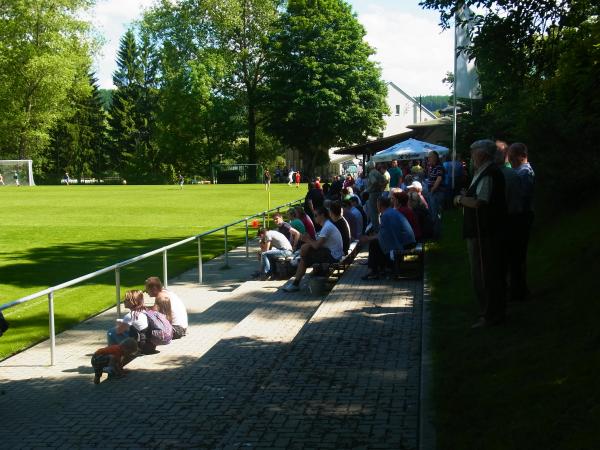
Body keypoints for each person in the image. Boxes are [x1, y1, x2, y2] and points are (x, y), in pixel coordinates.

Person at [453, 139, 508, 328]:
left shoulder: (489, 172)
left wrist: (460, 199)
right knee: (484, 272)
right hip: (481, 230)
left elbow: (479, 202)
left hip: (483, 231)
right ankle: (489, 311)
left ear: (482, 154)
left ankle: (489, 314)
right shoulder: (484, 171)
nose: (470, 156)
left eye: (473, 152)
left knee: (483, 273)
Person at [283, 207, 344, 292]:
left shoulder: (327, 227)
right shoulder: (327, 225)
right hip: (332, 252)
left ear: (322, 215)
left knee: (304, 257)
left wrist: (307, 239)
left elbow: (316, 246)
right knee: (305, 250)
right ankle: (296, 279)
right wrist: (308, 240)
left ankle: (296, 283)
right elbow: (316, 243)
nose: (314, 218)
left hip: (334, 255)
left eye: (315, 215)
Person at [360, 196, 416, 279]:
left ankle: (374, 271)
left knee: (374, 244)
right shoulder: (391, 212)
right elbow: (385, 233)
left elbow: (383, 235)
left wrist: (368, 238)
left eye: (377, 205)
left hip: (406, 243)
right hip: (408, 241)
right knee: (378, 244)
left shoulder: (386, 215)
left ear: (380, 205)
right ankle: (382, 268)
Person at [507, 142, 535, 302]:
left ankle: (519, 291)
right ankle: (518, 288)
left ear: (520, 156)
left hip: (521, 218)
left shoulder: (524, 173)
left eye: (511, 156)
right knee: (516, 256)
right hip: (521, 216)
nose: (509, 159)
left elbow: (522, 197)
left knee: (517, 255)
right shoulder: (519, 171)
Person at [425, 151, 445, 239]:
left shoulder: (439, 167)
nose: (428, 159)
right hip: (432, 193)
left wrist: (433, 189)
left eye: (430, 157)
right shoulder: (432, 167)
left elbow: (439, 178)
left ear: (435, 158)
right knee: (432, 214)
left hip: (436, 193)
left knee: (436, 214)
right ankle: (434, 233)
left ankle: (437, 234)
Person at [366, 162, 386, 232]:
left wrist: (370, 188)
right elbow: (385, 181)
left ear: (369, 166)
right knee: (378, 212)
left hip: (373, 194)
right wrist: (381, 187)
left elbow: (374, 182)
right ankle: (378, 228)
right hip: (379, 193)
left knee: (374, 212)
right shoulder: (377, 172)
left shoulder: (371, 173)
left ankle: (376, 230)